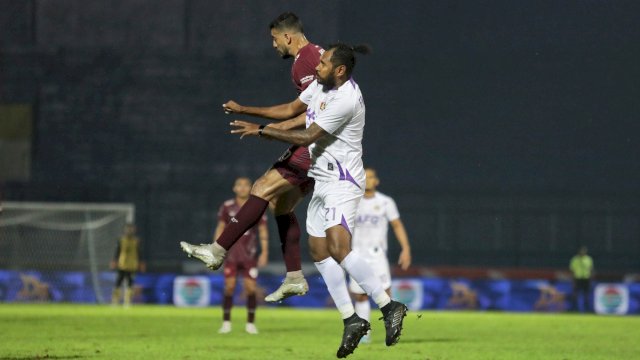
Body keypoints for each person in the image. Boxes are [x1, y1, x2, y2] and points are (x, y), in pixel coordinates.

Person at [229, 43, 408, 358]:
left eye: (323, 63)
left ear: (339, 70)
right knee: (319, 252)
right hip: (322, 181)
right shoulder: (322, 86)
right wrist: (246, 110)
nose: (317, 67)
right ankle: (351, 319)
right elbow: (288, 111)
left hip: (343, 183)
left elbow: (305, 137)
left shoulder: (346, 99)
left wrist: (261, 132)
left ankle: (389, 305)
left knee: (339, 249)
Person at [180, 12, 324, 302]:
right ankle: (295, 277)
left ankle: (217, 250)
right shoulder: (316, 55)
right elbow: (298, 109)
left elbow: (311, 112)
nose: (273, 46)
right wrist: (257, 120)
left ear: (287, 36)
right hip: (324, 148)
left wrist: (264, 129)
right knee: (281, 206)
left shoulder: (306, 60)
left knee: (260, 188)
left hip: (314, 147)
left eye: (274, 39)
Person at [349, 167, 412, 343]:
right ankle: (364, 335)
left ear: (376, 181)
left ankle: (392, 332)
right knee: (360, 295)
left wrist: (405, 248)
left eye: (371, 177)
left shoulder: (386, 202)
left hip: (377, 256)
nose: (367, 180)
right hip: (356, 255)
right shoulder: (352, 201)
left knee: (385, 293)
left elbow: (397, 225)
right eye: (364, 177)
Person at [215, 177, 269, 334]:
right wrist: (216, 249)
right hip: (231, 254)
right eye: (239, 185)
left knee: (250, 288)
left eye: (246, 185)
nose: (243, 188)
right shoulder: (227, 206)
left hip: (249, 255)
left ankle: (250, 324)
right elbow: (220, 227)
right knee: (229, 287)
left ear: (251, 188)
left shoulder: (257, 206)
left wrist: (264, 252)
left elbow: (263, 230)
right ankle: (226, 323)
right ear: (234, 188)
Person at [110, 223, 145, 307]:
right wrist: (114, 261)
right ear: (125, 230)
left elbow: (139, 253)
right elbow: (117, 252)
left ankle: (127, 301)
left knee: (130, 283)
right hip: (122, 264)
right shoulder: (121, 240)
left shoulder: (136, 241)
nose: (129, 231)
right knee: (118, 282)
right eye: (128, 229)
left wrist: (141, 263)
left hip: (132, 265)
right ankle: (115, 301)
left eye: (131, 229)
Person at [569, 245, 594, 312]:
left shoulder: (588, 259)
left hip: (586, 278)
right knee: (575, 294)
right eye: (581, 251)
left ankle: (587, 309)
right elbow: (572, 270)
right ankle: (574, 308)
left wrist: (591, 279)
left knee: (586, 294)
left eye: (584, 251)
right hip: (577, 278)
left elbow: (591, 269)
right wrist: (573, 280)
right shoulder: (575, 259)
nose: (582, 252)